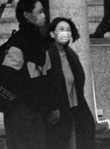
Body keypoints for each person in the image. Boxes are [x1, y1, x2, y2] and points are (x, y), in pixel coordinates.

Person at [2, 0, 53, 149]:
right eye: (39, 12)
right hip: (23, 111)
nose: (43, 16)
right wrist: (30, 97)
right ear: (26, 15)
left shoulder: (35, 38)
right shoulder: (21, 40)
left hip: (32, 109)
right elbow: (8, 75)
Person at [44, 17, 96, 149]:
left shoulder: (71, 55)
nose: (65, 33)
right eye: (61, 29)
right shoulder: (47, 55)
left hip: (74, 109)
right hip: (56, 111)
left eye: (68, 30)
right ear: (52, 34)